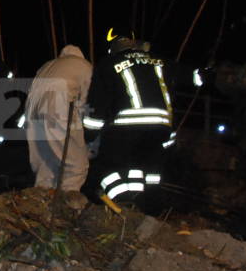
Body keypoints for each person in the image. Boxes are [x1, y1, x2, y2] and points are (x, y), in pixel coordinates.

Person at [83, 30, 201, 204]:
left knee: (115, 170)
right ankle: (149, 208)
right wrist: (212, 72)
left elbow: (98, 103)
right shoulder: (160, 61)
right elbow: (194, 77)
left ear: (112, 48)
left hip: (126, 129)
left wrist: (88, 136)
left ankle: (123, 207)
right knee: (150, 171)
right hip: (161, 128)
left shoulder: (108, 64)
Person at [24, 45, 92, 191]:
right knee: (76, 165)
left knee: (46, 164)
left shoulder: (48, 65)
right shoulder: (84, 66)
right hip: (57, 108)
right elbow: (86, 102)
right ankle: (67, 205)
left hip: (32, 111)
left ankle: (41, 202)